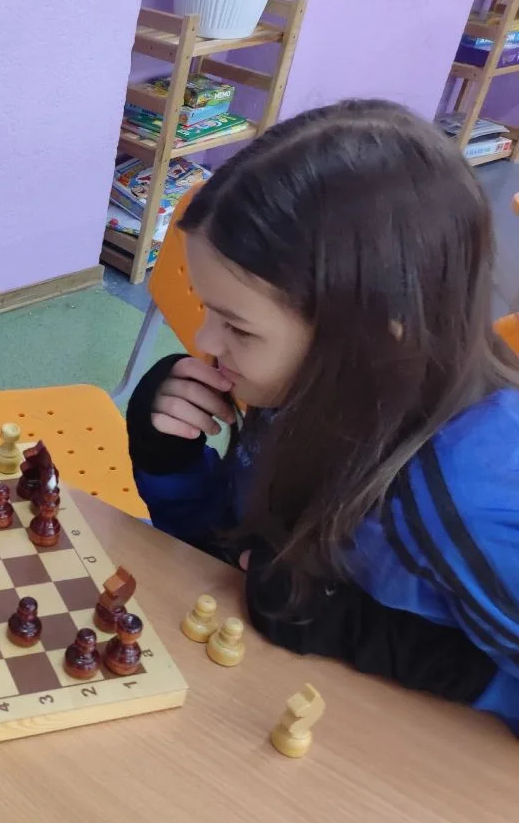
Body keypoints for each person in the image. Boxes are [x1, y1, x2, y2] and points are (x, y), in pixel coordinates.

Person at [126, 99, 519, 736]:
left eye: (237, 327)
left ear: (374, 338)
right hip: (259, 703)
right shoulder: (306, 391)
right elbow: (235, 561)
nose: (203, 341)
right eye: (208, 309)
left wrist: (361, 632)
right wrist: (170, 462)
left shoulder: (477, 503)